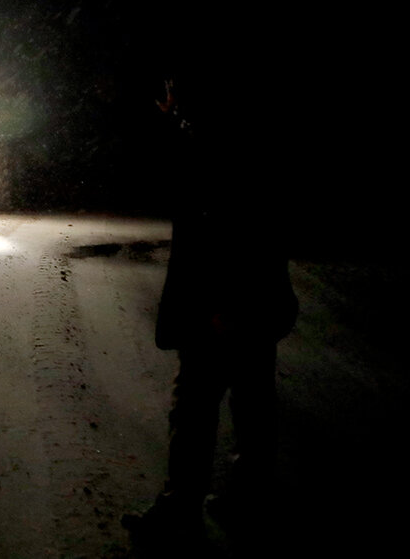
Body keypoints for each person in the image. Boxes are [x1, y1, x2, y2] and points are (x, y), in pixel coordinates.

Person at [123, 71, 298, 553]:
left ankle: (184, 508)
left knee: (197, 408)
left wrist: (227, 305)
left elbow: (234, 225)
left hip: (228, 305)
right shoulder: (225, 135)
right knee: (251, 401)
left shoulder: (221, 145)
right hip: (251, 301)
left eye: (175, 89)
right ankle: (248, 499)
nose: (168, 95)